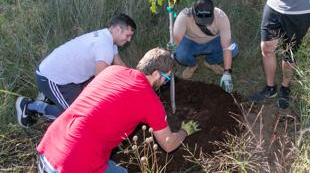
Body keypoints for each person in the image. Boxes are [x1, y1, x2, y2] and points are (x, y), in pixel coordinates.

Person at [36, 47, 200, 173]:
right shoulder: (149, 100)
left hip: (49, 148)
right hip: (72, 166)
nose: (166, 82)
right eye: (167, 77)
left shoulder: (112, 70)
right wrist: (184, 131)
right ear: (156, 74)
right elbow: (169, 144)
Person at [16, 13, 136, 128]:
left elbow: (119, 64)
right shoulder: (104, 46)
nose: (129, 40)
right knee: (76, 117)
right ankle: (31, 106)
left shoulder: (108, 39)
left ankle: (51, 98)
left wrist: (136, 79)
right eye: (128, 35)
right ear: (118, 30)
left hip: (66, 78)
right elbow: (100, 82)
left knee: (85, 106)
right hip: (50, 78)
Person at [172, 0, 239, 93]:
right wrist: (169, 56)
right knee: (180, 54)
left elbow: (226, 47)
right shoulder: (184, 15)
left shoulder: (221, 17)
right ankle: (192, 65)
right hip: (191, 42)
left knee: (234, 49)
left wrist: (227, 73)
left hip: (212, 42)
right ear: (193, 13)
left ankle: (210, 62)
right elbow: (177, 39)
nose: (204, 24)